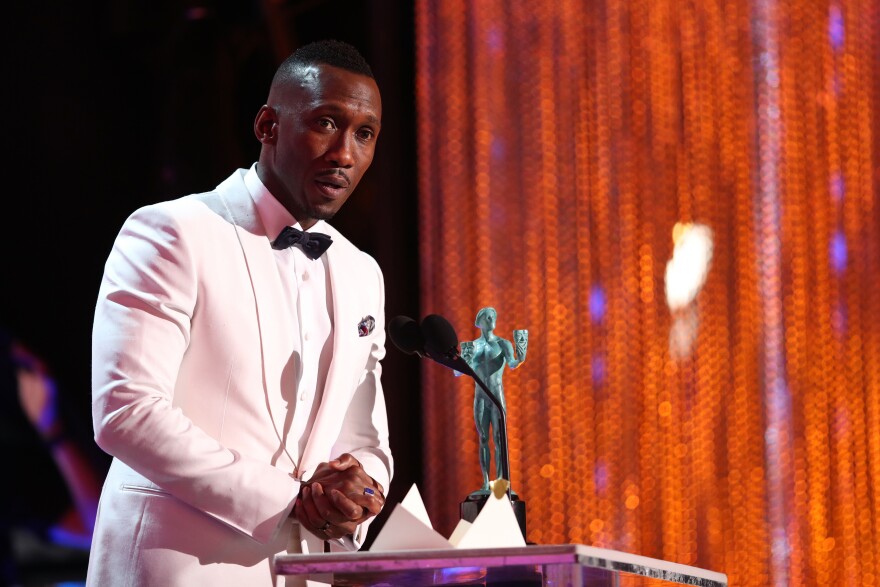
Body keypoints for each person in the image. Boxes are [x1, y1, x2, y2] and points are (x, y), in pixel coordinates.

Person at [88, 40, 392, 586]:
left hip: (302, 573)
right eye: (326, 122)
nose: (345, 153)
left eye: (364, 134)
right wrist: (288, 500)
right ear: (267, 126)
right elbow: (125, 410)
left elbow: (364, 441)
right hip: (174, 568)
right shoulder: (173, 231)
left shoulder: (361, 271)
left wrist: (358, 490)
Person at [459, 308, 526, 494]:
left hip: (497, 396)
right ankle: (486, 481)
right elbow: (461, 371)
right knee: (483, 438)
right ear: (480, 321)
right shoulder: (473, 346)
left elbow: (512, 364)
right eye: (488, 317)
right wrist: (463, 361)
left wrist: (520, 357)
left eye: (494, 316)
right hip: (480, 396)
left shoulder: (503, 343)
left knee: (499, 438)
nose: (492, 319)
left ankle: (501, 482)